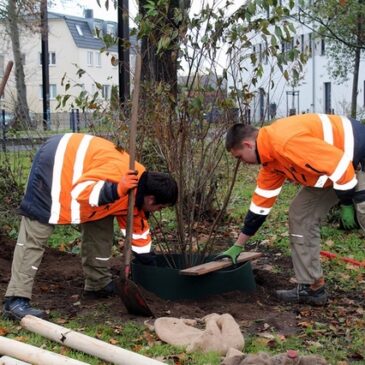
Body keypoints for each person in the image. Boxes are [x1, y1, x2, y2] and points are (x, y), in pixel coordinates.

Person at [3, 133, 178, 320]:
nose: (158, 211)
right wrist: (117, 189)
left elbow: (139, 234)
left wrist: (152, 270)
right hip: (55, 160)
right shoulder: (122, 174)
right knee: (37, 230)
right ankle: (15, 300)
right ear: (151, 198)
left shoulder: (137, 194)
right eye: (160, 207)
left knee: (101, 221)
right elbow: (81, 190)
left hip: (84, 175)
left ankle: (98, 283)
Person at [217, 113, 365, 305]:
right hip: (334, 170)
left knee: (363, 212)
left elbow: (340, 164)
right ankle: (312, 288)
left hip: (357, 157)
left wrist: (346, 203)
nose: (241, 162)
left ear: (248, 145)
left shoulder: (285, 142)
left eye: (239, 157)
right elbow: (259, 208)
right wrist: (239, 244)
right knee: (300, 213)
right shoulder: (271, 162)